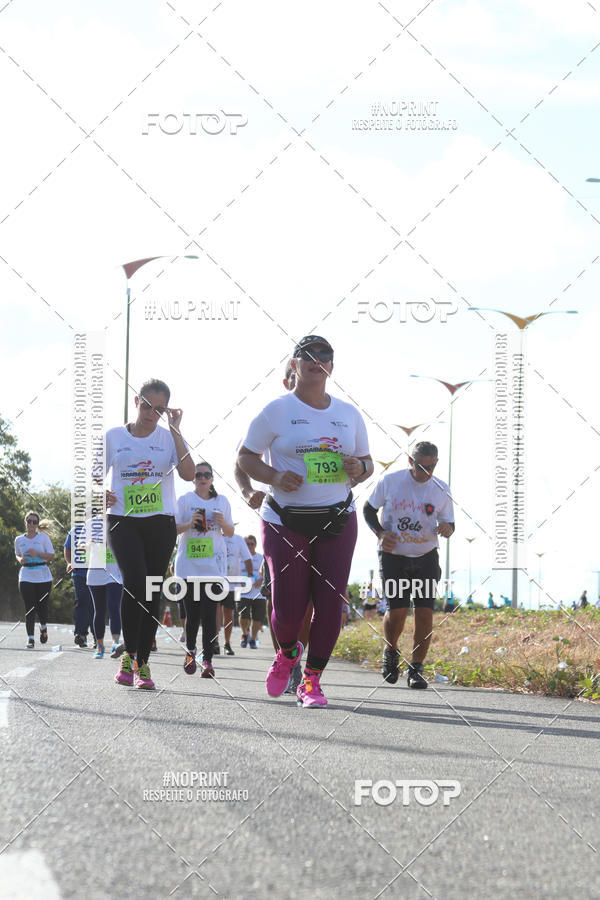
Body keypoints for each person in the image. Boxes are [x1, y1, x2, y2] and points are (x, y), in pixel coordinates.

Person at [237, 334, 373, 708]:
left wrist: (359, 467)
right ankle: (286, 653)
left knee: (330, 604)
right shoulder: (275, 412)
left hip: (336, 517)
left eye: (325, 354)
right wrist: (274, 478)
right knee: (289, 609)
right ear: (294, 364)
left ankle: (311, 681)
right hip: (285, 520)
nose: (317, 359)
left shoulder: (349, 414)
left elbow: (368, 463)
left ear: (332, 365)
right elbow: (245, 458)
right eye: (308, 354)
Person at [106, 378, 194, 690]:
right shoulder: (114, 436)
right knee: (135, 581)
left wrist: (177, 429)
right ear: (136, 401)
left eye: (159, 409)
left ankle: (143, 661)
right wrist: (98, 492)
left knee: (152, 589)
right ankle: (127, 656)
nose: (151, 413)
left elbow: (188, 473)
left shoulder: (168, 438)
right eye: (146, 405)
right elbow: (91, 476)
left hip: (160, 522)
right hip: (123, 520)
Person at [364, 441, 454, 690]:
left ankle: (416, 667)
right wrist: (381, 533)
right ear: (410, 461)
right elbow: (368, 510)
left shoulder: (441, 489)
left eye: (430, 468)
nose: (424, 473)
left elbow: (449, 524)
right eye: (420, 467)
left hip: (426, 555)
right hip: (394, 555)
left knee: (425, 614)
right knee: (398, 611)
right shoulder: (390, 481)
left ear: (435, 464)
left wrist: (447, 529)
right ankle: (390, 651)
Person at [174, 461, 234, 677]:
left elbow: (230, 532)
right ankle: (190, 652)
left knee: (210, 616)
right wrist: (189, 524)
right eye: (199, 474)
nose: (202, 478)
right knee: (192, 615)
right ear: (194, 478)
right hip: (189, 566)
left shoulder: (222, 501)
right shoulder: (184, 500)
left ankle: (207, 660)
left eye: (207, 474)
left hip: (213, 567)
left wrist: (223, 523)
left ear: (212, 478)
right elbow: (172, 529)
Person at [14, 512, 55, 649]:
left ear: (37, 524)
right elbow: (17, 554)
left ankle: (43, 628)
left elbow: (51, 556)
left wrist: (37, 554)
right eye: (29, 521)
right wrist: (20, 560)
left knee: (42, 606)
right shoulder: (19, 540)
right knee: (30, 608)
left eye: (34, 522)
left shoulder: (43, 538)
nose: (31, 524)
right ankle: (30, 638)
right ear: (25, 522)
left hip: (43, 576)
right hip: (26, 576)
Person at [85, 518, 123, 659]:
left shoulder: (120, 519)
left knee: (114, 606)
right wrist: (91, 543)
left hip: (114, 572)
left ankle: (116, 643)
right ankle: (100, 645)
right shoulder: (90, 523)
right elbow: (82, 547)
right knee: (99, 610)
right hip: (96, 571)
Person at [223, 533, 253, 654]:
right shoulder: (212, 535)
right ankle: (213, 643)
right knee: (214, 613)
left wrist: (250, 576)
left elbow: (247, 558)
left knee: (229, 615)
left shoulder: (237, 539)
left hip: (231, 583)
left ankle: (227, 643)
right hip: (213, 580)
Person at [64, 525, 94, 648]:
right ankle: (81, 635)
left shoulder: (100, 529)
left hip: (96, 572)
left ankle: (97, 636)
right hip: (79, 573)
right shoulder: (75, 530)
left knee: (94, 604)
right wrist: (69, 562)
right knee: (81, 601)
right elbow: (67, 548)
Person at [238, 536, 266, 649]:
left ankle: (253, 639)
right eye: (247, 544)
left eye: (252, 544)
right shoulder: (239, 558)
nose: (249, 546)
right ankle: (245, 635)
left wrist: (261, 580)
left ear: (255, 545)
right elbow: (234, 571)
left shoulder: (261, 557)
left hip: (258, 594)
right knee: (243, 616)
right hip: (243, 592)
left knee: (257, 619)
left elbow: (267, 572)